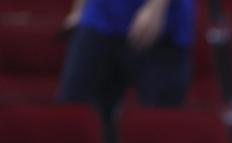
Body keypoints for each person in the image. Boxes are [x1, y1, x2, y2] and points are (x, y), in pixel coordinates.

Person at [58, 0, 195, 111]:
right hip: (99, 19)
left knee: (159, 121)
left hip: (162, 28)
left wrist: (156, 7)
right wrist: (78, 10)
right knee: (73, 110)